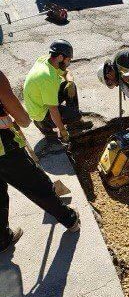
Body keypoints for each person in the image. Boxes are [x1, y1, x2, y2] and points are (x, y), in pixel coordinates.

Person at [0, 71, 80, 252]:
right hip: (3, 149)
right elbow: (23, 119)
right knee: (37, 186)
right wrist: (17, 120)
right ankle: (70, 219)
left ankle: (2, 239)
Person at [23, 40, 82, 141]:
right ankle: (45, 127)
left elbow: (66, 72)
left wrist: (70, 82)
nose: (69, 63)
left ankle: (71, 120)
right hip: (40, 112)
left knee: (69, 86)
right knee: (76, 115)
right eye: (68, 60)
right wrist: (62, 130)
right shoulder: (47, 77)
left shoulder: (47, 60)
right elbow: (53, 109)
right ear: (60, 57)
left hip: (39, 101)